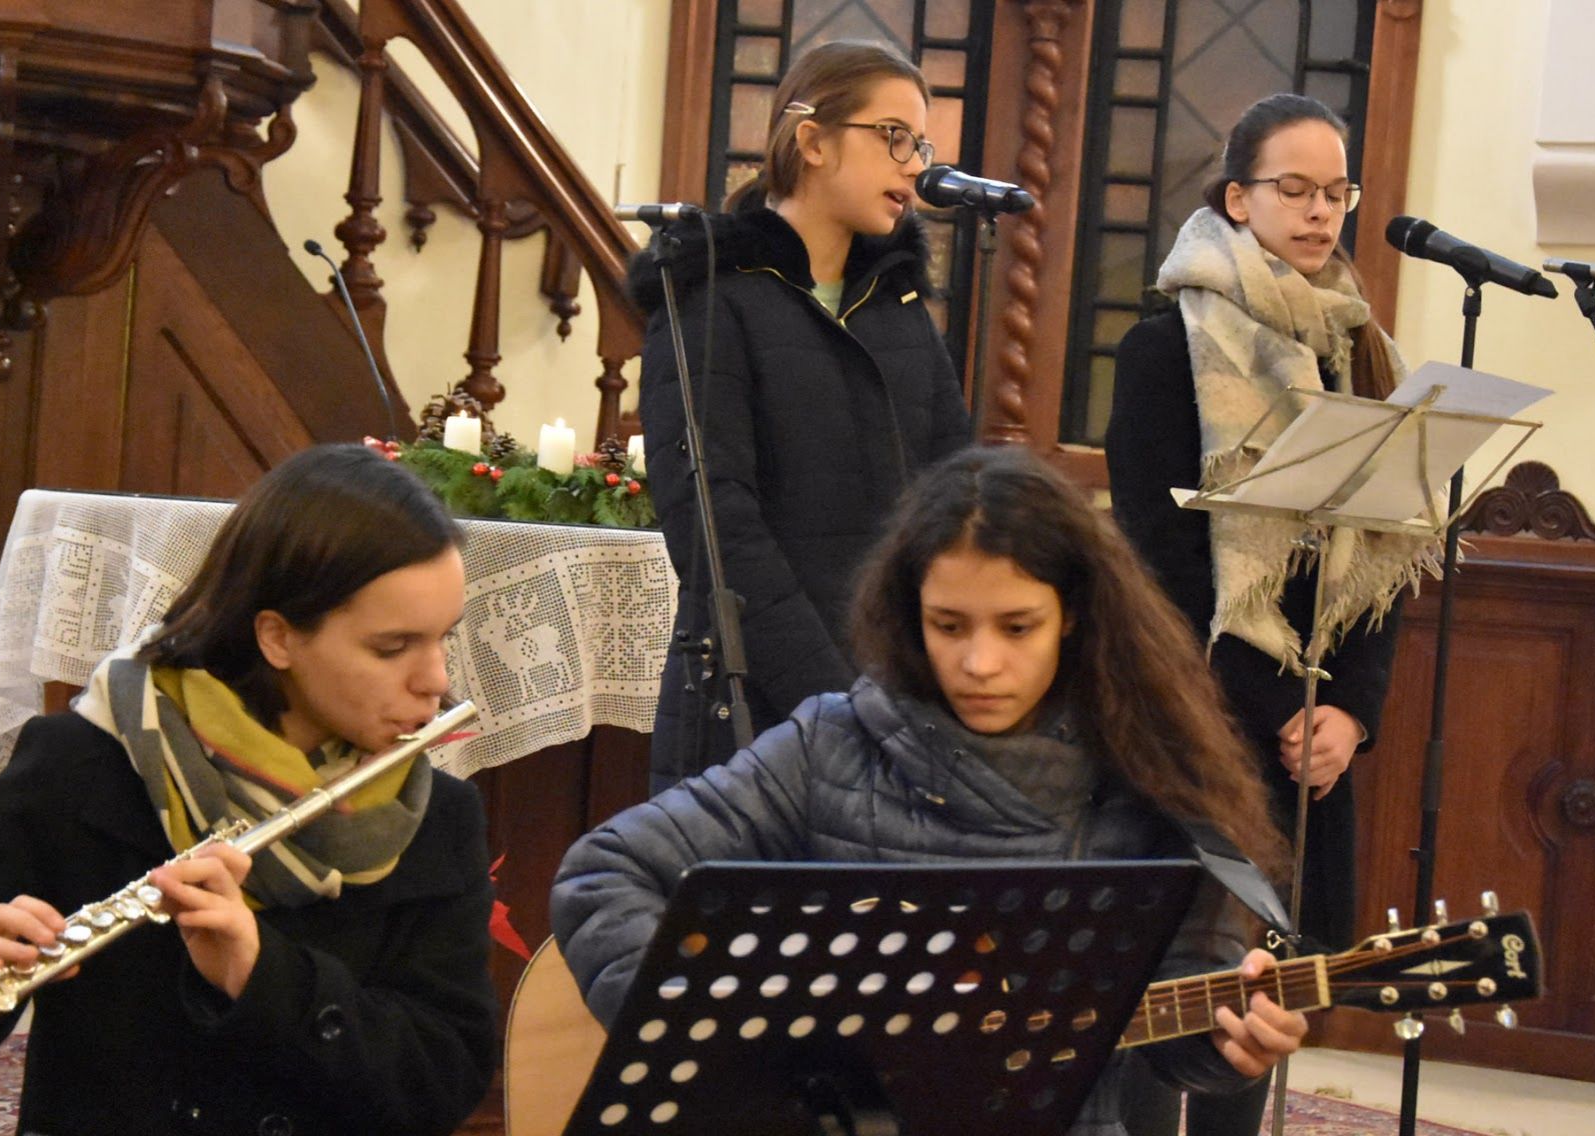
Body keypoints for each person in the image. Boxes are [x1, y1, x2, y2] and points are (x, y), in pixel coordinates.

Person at [551, 444, 1307, 1136]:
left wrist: (1229, 1045)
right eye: (949, 625)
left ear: (1073, 617)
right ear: (912, 615)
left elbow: (1185, 1018)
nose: (979, 663)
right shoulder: (829, 745)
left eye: (1017, 628)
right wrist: (733, 1034)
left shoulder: (1151, 773)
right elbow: (603, 871)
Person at [0, 445, 498, 1136]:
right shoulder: (80, 767)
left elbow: (440, 1083)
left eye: (442, 639)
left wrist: (262, 974)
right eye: (392, 648)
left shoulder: (436, 818)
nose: (435, 681)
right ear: (278, 637)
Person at [1106, 93, 1438, 1136]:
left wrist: (1349, 713)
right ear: (1235, 198)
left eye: (1336, 191)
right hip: (1193, 712)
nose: (1319, 211)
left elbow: (1380, 555)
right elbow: (1160, 566)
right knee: (1174, 984)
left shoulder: (1358, 350)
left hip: (1310, 727)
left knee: (1262, 989)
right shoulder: (1165, 347)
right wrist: (1277, 705)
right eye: (1292, 189)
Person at [633, 40, 971, 792]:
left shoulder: (897, 306)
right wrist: (832, 703)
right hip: (756, 706)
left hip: (897, 694)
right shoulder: (711, 294)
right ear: (812, 141)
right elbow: (715, 526)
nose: (914, 167)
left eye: (920, 146)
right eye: (893, 137)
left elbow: (955, 489)